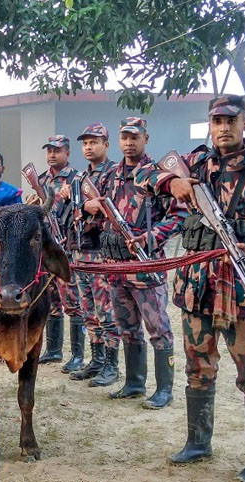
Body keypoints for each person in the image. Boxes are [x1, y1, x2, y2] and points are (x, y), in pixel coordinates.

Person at [136, 94, 245, 482]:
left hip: (244, 292)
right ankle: (198, 443)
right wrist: (172, 181)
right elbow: (142, 178)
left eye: (231, 120)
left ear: (244, 123)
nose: (223, 128)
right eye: (217, 121)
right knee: (198, 369)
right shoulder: (196, 163)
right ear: (210, 125)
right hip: (196, 289)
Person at [97, 117, 180, 409]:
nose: (129, 143)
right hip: (116, 266)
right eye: (124, 137)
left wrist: (151, 237)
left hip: (145, 266)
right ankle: (134, 382)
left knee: (157, 327)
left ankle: (164, 390)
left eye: (135, 137)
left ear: (146, 138)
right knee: (126, 326)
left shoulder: (157, 174)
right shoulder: (111, 176)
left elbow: (178, 214)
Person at [69, 122, 121, 387]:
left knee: (106, 311)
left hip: (102, 252)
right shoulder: (78, 177)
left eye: (94, 142)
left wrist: (91, 207)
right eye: (85, 143)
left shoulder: (114, 173)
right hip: (81, 252)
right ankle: (97, 360)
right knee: (88, 310)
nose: (89, 147)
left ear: (106, 145)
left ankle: (112, 365)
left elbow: (114, 208)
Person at [35, 135, 82, 369]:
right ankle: (53, 349)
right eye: (49, 150)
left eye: (58, 150)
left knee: (73, 300)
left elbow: (82, 208)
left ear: (68, 153)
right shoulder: (41, 180)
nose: (52, 154)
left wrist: (70, 197)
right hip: (47, 248)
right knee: (51, 298)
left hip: (68, 246)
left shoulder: (77, 179)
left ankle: (77, 355)